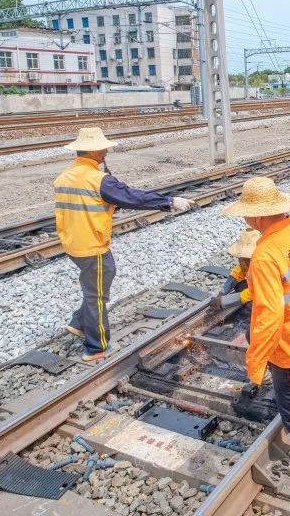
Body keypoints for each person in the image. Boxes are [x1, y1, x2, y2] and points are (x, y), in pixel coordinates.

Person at [55, 127, 195, 361]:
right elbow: (132, 197)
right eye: (104, 149)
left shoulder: (65, 176)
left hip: (72, 243)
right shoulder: (98, 180)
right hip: (93, 245)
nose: (106, 152)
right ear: (96, 151)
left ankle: (78, 322)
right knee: (97, 295)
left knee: (96, 284)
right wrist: (170, 201)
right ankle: (96, 347)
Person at [222, 177, 290, 476]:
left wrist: (255, 367)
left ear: (257, 216)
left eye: (245, 212)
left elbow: (269, 316)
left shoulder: (265, 254)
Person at [217, 228, 260, 312]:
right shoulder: (247, 262)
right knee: (239, 285)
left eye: (245, 259)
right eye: (241, 259)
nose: (242, 262)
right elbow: (238, 273)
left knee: (251, 302)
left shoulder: (264, 266)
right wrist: (223, 292)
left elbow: (254, 292)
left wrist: (224, 301)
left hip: (277, 299)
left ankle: (251, 315)